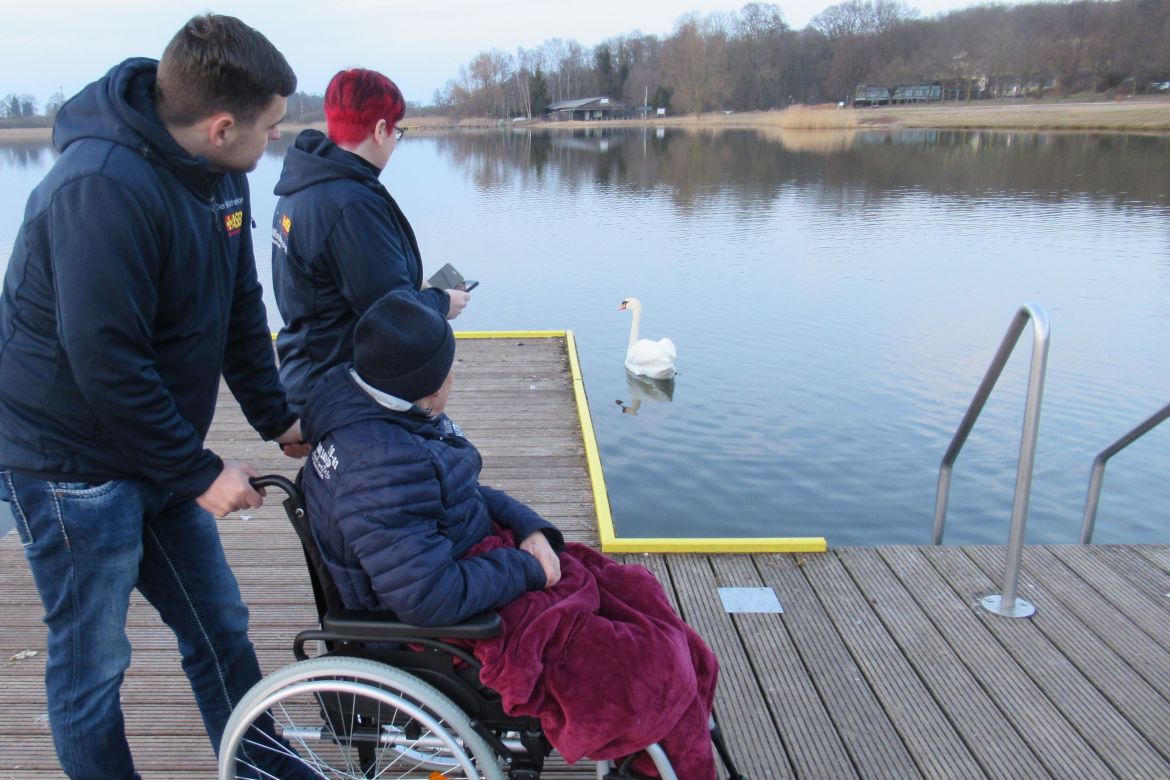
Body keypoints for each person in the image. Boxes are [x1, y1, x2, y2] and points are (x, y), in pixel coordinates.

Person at [0, 14, 310, 778]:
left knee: (220, 629)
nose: (276, 141)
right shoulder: (99, 191)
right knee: (93, 664)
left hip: (154, 448)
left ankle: (267, 771)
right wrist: (202, 474)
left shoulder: (221, 176)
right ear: (221, 124)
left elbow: (241, 311)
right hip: (67, 464)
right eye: (270, 128)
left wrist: (279, 418)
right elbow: (106, 364)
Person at [301, 291, 721, 778]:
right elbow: (427, 598)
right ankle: (667, 751)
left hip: (471, 564)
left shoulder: (384, 415)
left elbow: (465, 490)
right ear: (430, 387)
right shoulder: (380, 466)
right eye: (450, 365)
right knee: (651, 669)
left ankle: (666, 734)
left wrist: (530, 529)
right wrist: (527, 569)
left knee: (634, 592)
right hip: (446, 628)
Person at [271, 67, 471, 412]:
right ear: (380, 130)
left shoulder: (304, 186)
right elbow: (394, 318)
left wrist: (413, 282)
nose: (395, 141)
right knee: (439, 387)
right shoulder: (350, 203)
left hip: (308, 371)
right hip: (341, 388)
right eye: (398, 131)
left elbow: (343, 284)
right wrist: (442, 303)